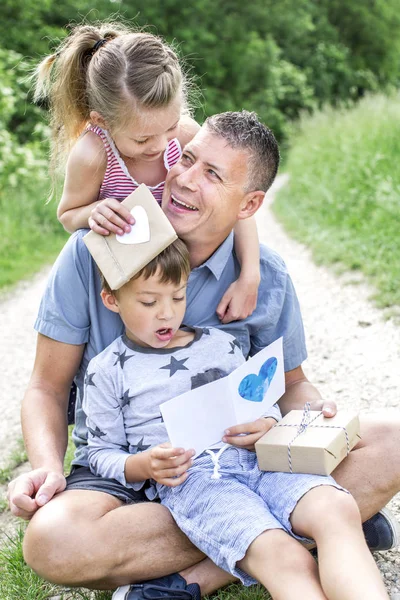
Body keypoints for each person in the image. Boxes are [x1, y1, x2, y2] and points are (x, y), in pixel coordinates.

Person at [7, 111, 400, 599]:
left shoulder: (265, 276)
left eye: (212, 174)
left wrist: (293, 420)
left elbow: (294, 383)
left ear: (250, 203)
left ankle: (193, 581)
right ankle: (303, 530)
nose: (184, 180)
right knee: (53, 541)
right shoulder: (99, 251)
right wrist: (45, 465)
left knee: (393, 439)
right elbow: (46, 387)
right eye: (187, 159)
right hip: (131, 468)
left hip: (240, 458)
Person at [84, 237, 389, 600]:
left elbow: (258, 401)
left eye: (178, 297)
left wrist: (268, 422)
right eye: (149, 301)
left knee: (337, 508)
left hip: (261, 459)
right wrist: (144, 465)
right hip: (196, 481)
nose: (166, 313)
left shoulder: (220, 344)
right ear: (112, 299)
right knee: (283, 556)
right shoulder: (107, 371)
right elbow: (100, 452)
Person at [33, 22, 261, 324]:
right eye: (142, 139)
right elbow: (68, 215)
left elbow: (234, 205)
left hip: (180, 278)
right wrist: (94, 211)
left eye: (169, 126)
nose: (161, 145)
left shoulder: (186, 136)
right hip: (128, 287)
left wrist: (250, 275)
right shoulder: (93, 155)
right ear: (102, 122)